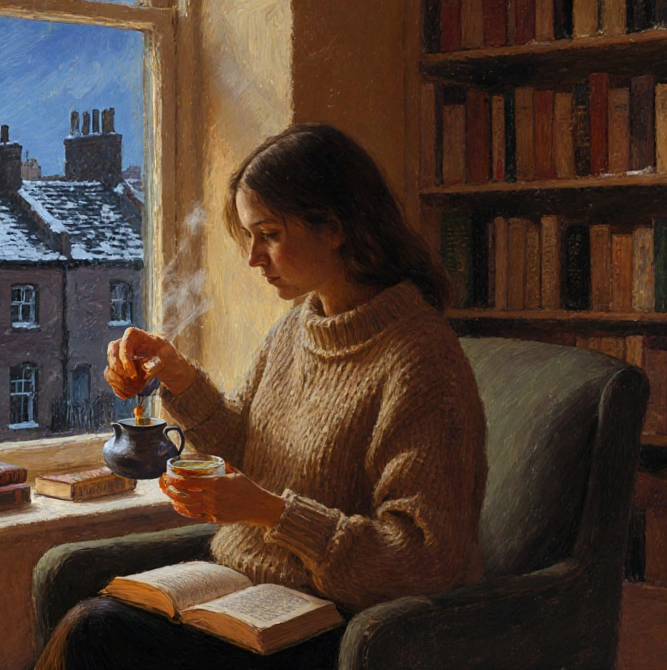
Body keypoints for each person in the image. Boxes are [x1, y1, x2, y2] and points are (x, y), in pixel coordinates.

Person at [35, 124, 487, 670]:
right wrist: (176, 375)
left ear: (334, 228)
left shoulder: (422, 359)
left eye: (269, 234)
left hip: (331, 628)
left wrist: (272, 512)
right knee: (93, 622)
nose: (254, 258)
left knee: (94, 633)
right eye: (250, 236)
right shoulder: (295, 328)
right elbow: (244, 449)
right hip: (245, 596)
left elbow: (424, 558)